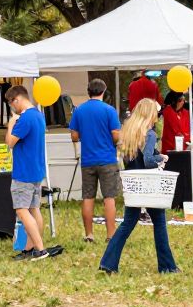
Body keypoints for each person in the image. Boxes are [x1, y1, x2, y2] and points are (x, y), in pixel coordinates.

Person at [99, 99, 179, 275]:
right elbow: (149, 160)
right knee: (159, 223)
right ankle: (167, 266)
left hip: (133, 185)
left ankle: (108, 263)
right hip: (148, 185)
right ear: (150, 113)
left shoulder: (129, 134)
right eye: (156, 113)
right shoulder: (149, 134)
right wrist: (162, 158)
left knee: (127, 224)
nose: (158, 117)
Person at [69, 79, 121, 243]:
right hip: (107, 159)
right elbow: (115, 135)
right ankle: (111, 235)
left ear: (88, 91)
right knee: (109, 197)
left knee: (88, 197)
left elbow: (74, 136)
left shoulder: (79, 110)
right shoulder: (109, 110)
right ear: (103, 92)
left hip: (88, 160)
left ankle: (89, 234)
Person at [4, 86, 50, 261]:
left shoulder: (24, 119)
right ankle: (30, 247)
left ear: (16, 99)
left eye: (11, 104)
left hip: (24, 172)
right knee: (34, 209)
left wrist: (10, 125)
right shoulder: (38, 115)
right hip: (37, 170)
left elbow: (10, 142)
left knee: (22, 210)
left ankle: (39, 249)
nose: (12, 108)